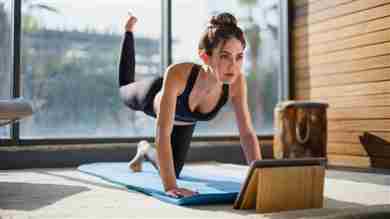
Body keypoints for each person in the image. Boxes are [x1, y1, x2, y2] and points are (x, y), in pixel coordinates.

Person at [118, 12, 262, 198]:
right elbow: (163, 132)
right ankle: (128, 31)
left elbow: (247, 134)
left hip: (185, 120)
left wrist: (259, 177)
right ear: (205, 57)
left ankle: (145, 149)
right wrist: (170, 187)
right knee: (124, 89)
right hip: (151, 97)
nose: (233, 66)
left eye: (239, 56)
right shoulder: (178, 74)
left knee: (173, 171)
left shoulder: (236, 82)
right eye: (225, 56)